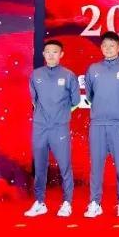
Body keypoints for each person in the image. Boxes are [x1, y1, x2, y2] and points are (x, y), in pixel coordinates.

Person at [84, 31, 119, 218]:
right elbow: (90, 95)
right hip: (98, 124)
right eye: (105, 46)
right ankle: (95, 203)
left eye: (112, 45)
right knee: (96, 166)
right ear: (101, 48)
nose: (108, 49)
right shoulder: (93, 69)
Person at [25, 39, 79, 218]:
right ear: (43, 54)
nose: (50, 55)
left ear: (61, 54)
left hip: (59, 128)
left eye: (54, 52)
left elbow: (75, 100)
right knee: (40, 166)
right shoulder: (36, 75)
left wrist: (59, 114)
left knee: (65, 166)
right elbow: (34, 99)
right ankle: (40, 202)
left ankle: (67, 203)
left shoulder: (68, 75)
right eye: (47, 51)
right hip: (40, 127)